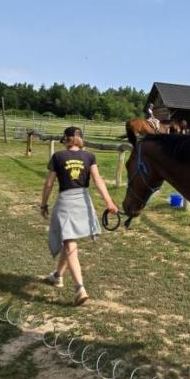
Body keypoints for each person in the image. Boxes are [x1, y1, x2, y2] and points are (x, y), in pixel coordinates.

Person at [39, 126, 119, 305]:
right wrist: (110, 202)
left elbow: (49, 183)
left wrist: (43, 203)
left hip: (66, 201)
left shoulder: (58, 157)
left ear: (67, 139)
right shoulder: (89, 156)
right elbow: (98, 181)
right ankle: (58, 276)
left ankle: (79, 288)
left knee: (69, 241)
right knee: (69, 240)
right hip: (83, 200)